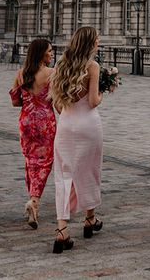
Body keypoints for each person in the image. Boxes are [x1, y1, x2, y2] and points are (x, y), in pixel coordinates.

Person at [49, 26, 105, 253]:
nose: (99, 42)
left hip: (66, 124)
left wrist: (67, 113)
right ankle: (89, 219)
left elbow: (56, 103)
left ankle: (62, 228)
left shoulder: (61, 65)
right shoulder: (92, 67)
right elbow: (93, 101)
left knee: (63, 175)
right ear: (90, 43)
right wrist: (103, 93)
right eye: (97, 39)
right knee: (89, 171)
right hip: (89, 124)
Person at [10, 38, 56, 230]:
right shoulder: (52, 73)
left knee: (30, 161)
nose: (52, 54)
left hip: (26, 121)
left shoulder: (21, 74)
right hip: (45, 121)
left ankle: (32, 201)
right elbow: (54, 99)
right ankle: (34, 201)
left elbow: (14, 101)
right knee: (45, 163)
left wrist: (29, 100)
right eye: (50, 51)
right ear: (41, 54)